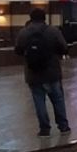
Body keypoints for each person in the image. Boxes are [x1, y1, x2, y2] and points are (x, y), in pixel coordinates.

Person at [15, 8, 71, 136]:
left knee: (39, 101)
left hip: (33, 73)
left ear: (30, 18)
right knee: (58, 99)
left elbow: (17, 50)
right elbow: (64, 48)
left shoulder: (24, 32)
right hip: (52, 72)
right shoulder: (53, 31)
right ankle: (63, 127)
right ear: (44, 18)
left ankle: (44, 129)